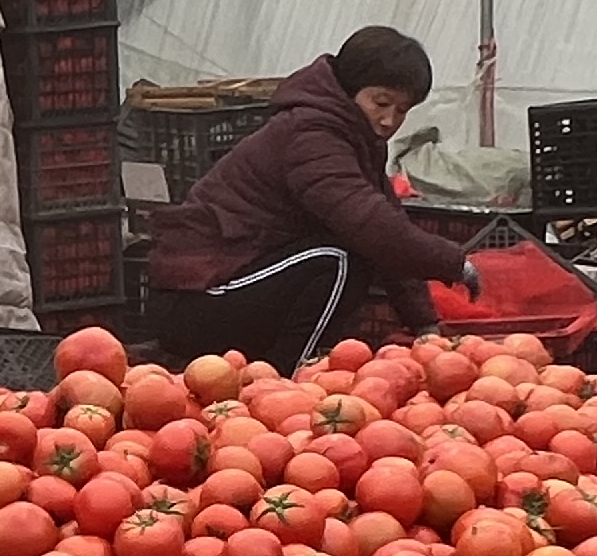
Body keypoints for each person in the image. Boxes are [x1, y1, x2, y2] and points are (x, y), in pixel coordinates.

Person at [143, 25, 477, 367]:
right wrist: (451, 262)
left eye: (402, 110)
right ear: (349, 90)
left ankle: (283, 377)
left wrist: (424, 324)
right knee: (339, 258)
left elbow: (386, 221)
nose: (389, 119)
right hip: (197, 298)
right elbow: (368, 224)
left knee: (348, 252)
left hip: (234, 282)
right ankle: (290, 380)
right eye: (381, 102)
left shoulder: (355, 137)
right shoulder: (312, 133)